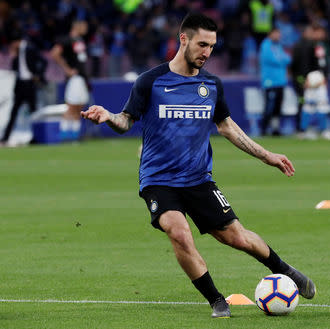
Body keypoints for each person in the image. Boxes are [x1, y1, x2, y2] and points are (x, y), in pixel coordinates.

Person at [81, 13, 315, 318]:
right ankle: (217, 300)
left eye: (212, 46)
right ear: (184, 39)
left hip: (198, 179)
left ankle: (286, 271)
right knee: (178, 233)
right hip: (158, 180)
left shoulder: (211, 84)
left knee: (237, 238)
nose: (207, 52)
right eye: (202, 44)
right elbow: (126, 121)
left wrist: (266, 155)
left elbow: (227, 127)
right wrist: (109, 116)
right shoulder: (150, 81)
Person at [0, 30, 47, 146]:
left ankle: (36, 137)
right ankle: (5, 138)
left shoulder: (30, 48)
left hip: (30, 84)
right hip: (20, 85)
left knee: (34, 113)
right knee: (14, 111)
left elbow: (43, 61)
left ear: (16, 42)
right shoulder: (17, 53)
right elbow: (16, 68)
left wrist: (38, 75)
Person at [50, 20, 90, 142]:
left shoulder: (79, 40)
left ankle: (74, 135)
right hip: (75, 78)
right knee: (72, 106)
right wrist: (67, 69)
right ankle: (64, 134)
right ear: (77, 26)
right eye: (84, 25)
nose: (86, 28)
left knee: (80, 107)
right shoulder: (67, 40)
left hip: (82, 78)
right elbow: (55, 53)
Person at [259, 27, 291, 136]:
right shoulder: (265, 45)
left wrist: (282, 59)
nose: (279, 36)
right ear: (271, 34)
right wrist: (282, 59)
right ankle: (263, 129)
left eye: (279, 34)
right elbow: (272, 59)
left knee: (278, 107)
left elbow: (288, 59)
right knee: (269, 106)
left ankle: (275, 129)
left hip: (281, 81)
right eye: (277, 34)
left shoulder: (279, 46)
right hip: (270, 81)